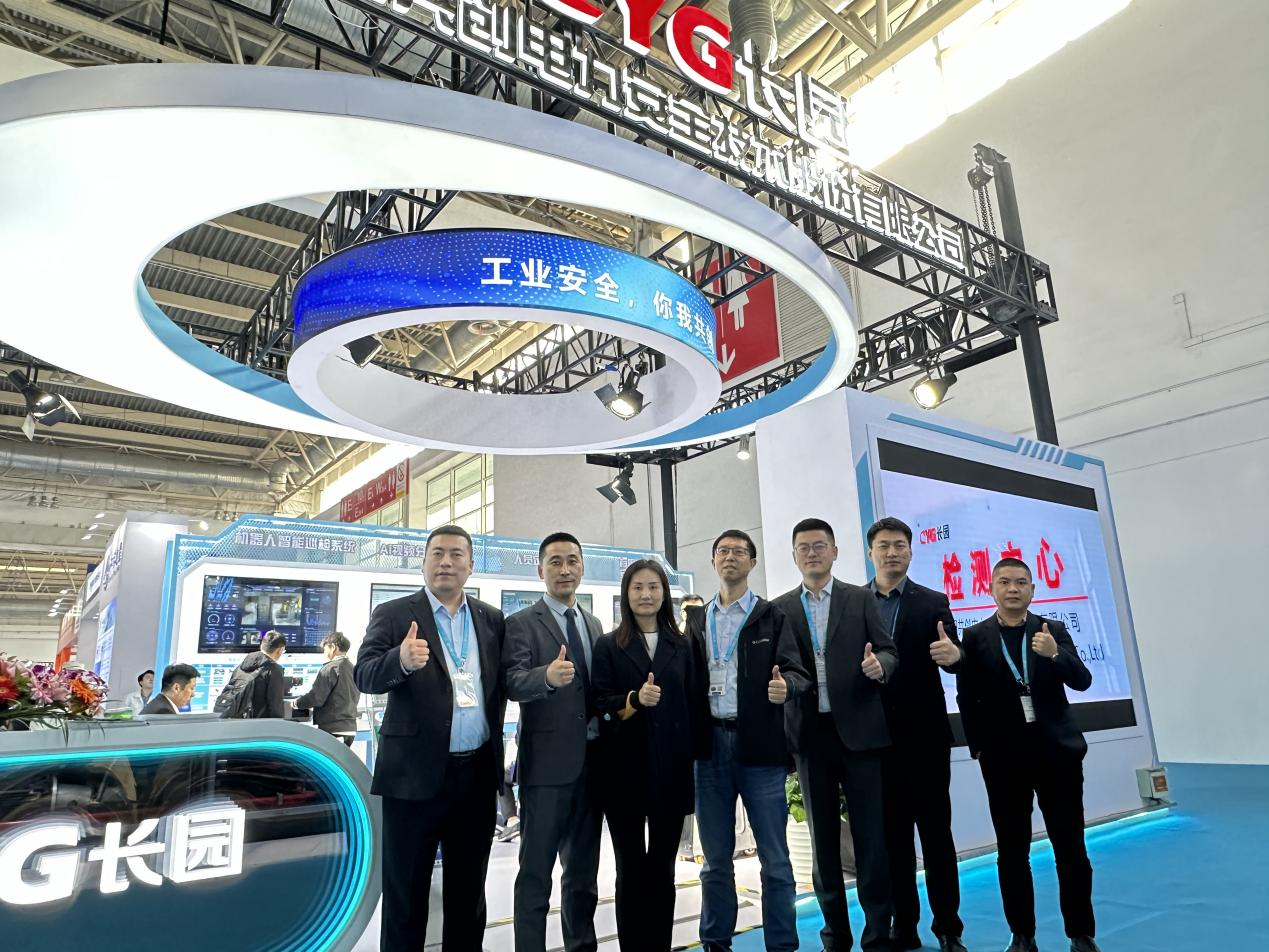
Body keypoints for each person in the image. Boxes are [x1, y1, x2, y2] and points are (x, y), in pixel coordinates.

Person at [354, 524, 506, 952]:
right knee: (405, 897)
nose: (446, 562)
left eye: (457, 554)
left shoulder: (491, 619)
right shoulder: (394, 614)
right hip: (412, 778)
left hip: (475, 776)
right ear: (423, 563)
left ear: (470, 566)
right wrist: (399, 660)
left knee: (468, 897)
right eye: (437, 553)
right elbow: (363, 675)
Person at [956, 559, 1099, 952]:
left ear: (1033, 590)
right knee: (1012, 851)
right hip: (1003, 759)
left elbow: (1083, 681)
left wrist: (1056, 655)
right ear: (991, 588)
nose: (1013, 589)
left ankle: (1081, 934)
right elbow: (966, 697)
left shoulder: (1053, 630)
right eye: (1004, 582)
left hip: (1057, 754)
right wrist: (978, 746)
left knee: (1071, 847)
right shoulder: (975, 637)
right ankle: (1022, 934)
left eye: (1021, 582)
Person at [773, 517, 899, 952]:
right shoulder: (781, 609)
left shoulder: (860, 598)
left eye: (819, 545)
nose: (812, 553)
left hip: (861, 733)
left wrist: (881, 665)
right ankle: (835, 936)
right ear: (794, 555)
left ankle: (878, 934)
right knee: (823, 845)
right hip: (810, 737)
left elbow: (889, 650)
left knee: (871, 841)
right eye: (804, 547)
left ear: (834, 551)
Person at [686, 529, 809, 952]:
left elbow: (798, 673)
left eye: (739, 551)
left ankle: (782, 945)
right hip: (709, 749)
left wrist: (786, 687)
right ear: (713, 561)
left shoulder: (772, 617)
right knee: (714, 861)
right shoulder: (696, 620)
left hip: (761, 748)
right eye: (722, 551)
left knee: (775, 860)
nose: (730, 557)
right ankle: (715, 942)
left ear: (752, 562)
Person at [866, 517, 967, 952]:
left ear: (910, 551)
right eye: (884, 545)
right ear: (871, 552)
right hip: (876, 741)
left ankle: (948, 929)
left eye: (900, 545)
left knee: (937, 836)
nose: (892, 552)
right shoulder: (856, 603)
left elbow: (956, 654)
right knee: (893, 841)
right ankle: (903, 926)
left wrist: (953, 655)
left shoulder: (933, 601)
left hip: (925, 739)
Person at [502, 531, 606, 952]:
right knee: (535, 874)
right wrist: (544, 677)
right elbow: (511, 682)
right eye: (556, 562)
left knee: (583, 875)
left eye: (572, 561)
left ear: (582, 567)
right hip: (545, 769)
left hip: (593, 766)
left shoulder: (593, 623)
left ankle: (582, 946)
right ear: (540, 569)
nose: (565, 569)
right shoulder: (522, 623)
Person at [592, 559, 703, 951]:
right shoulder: (609, 645)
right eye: (637, 587)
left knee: (662, 869)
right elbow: (600, 704)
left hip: (671, 771)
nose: (645, 595)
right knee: (630, 869)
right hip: (623, 773)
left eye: (653, 587)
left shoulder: (683, 645)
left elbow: (694, 703)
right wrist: (634, 700)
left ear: (664, 593)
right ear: (626, 594)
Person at [294, 631, 360, 746]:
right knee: (339, 757)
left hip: (332, 728)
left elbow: (316, 697)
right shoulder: (353, 669)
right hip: (350, 728)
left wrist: (296, 703)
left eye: (325, 649)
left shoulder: (331, 668)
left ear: (333, 647)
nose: (324, 653)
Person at [227, 629, 288, 719]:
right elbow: (275, 705)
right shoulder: (274, 670)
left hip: (236, 720)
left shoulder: (241, 666)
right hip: (260, 723)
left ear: (262, 646)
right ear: (280, 650)